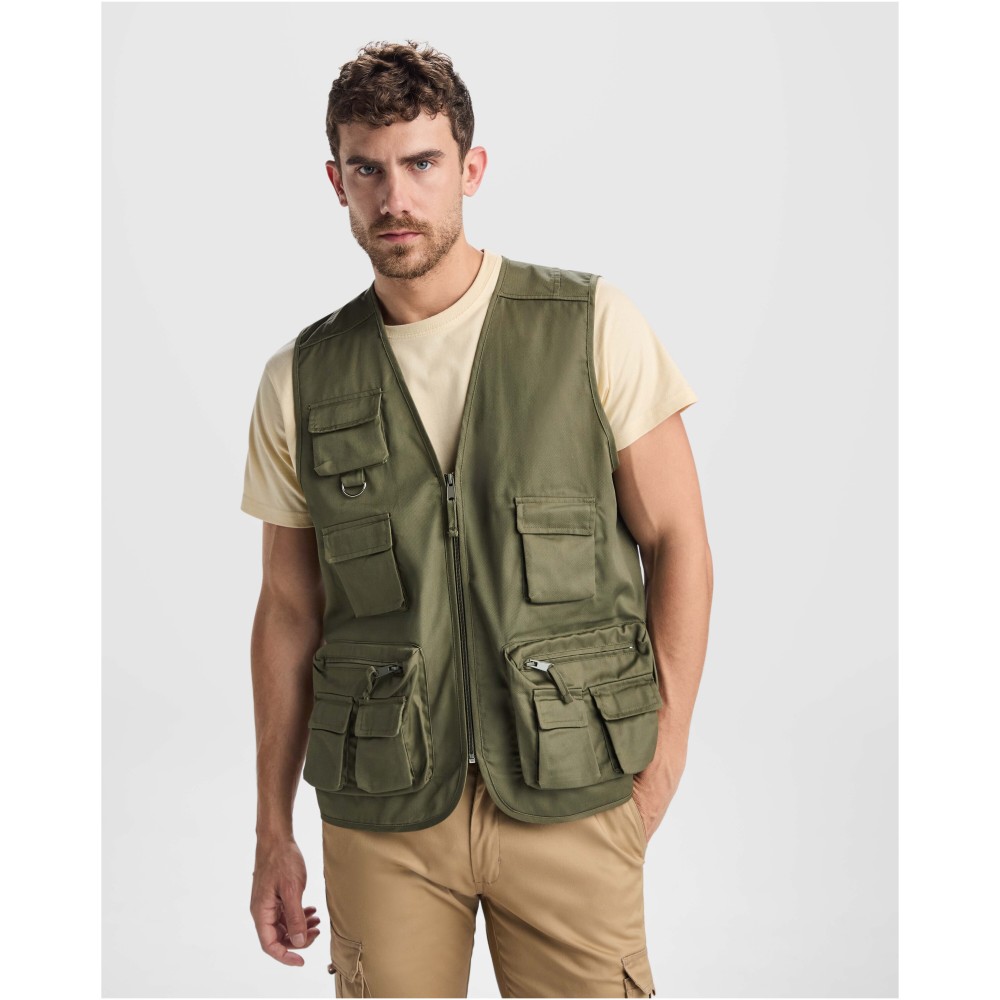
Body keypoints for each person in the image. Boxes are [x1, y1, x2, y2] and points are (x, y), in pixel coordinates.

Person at [242, 39, 713, 998]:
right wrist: (272, 830)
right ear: (336, 182)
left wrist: (661, 764)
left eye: (422, 163)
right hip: (384, 812)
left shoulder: (590, 323)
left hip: (573, 790)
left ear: (471, 167)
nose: (395, 198)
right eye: (367, 170)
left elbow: (679, 545)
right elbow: (288, 610)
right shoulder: (300, 378)